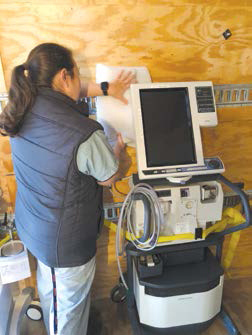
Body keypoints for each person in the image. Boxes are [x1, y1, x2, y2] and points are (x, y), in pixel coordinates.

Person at [0, 43, 133, 335]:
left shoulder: (22, 104)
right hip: (65, 245)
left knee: (52, 293)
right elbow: (108, 177)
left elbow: (75, 92)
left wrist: (107, 88)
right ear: (64, 76)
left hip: (35, 228)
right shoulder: (84, 133)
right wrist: (119, 152)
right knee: (68, 315)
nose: (79, 81)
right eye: (76, 74)